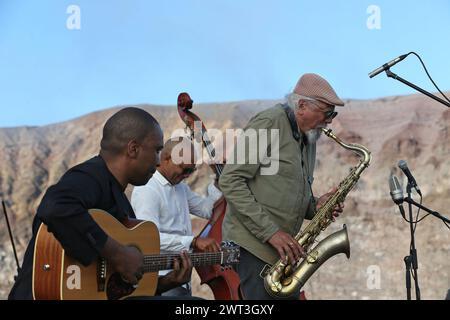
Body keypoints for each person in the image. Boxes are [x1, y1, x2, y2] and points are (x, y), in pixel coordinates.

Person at [8, 107, 193, 300]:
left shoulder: (122, 205)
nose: (157, 161)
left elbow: (111, 291)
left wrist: (165, 284)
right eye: (156, 150)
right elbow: (55, 206)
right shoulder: (90, 176)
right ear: (133, 149)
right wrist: (118, 254)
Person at [220, 73, 345, 300]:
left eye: (333, 114)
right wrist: (271, 233)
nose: (330, 120)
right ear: (302, 105)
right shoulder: (269, 123)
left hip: (281, 255)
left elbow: (288, 194)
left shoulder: (309, 138)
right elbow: (230, 180)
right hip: (253, 248)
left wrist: (317, 206)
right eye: (327, 113)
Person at [131, 136, 222, 297]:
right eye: (184, 169)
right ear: (165, 159)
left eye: (191, 170)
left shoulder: (180, 187)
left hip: (181, 277)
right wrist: (193, 241)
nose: (187, 175)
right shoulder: (148, 189)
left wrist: (217, 179)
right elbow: (149, 239)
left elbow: (207, 210)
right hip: (160, 279)